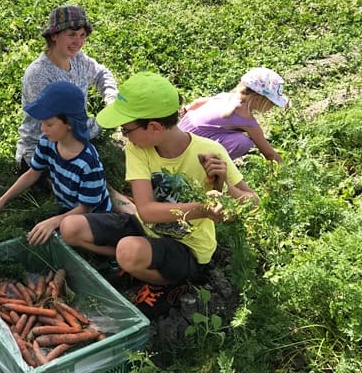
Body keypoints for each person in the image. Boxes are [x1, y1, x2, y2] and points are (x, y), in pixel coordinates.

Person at [60, 72, 259, 294]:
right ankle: (137, 261)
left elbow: (253, 202)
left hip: (187, 246)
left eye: (127, 130)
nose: (125, 136)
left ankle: (163, 283)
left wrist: (227, 187)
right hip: (145, 227)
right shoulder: (138, 148)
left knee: (127, 250)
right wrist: (203, 209)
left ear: (154, 127)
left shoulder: (211, 152)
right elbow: (146, 211)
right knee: (70, 227)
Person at [0, 81, 112, 246]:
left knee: (63, 237)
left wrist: (53, 221)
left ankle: (111, 255)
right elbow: (32, 173)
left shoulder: (88, 162)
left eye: (49, 124)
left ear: (69, 124)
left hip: (92, 218)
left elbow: (85, 209)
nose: (43, 129)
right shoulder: (47, 142)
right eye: (42, 123)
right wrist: (3, 199)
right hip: (66, 208)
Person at [15, 5, 118, 171]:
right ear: (54, 36)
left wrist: (111, 98)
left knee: (91, 177)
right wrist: (100, 123)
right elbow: (57, 129)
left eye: (82, 35)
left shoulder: (78, 59)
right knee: (86, 180)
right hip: (43, 149)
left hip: (76, 139)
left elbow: (101, 74)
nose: (78, 42)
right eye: (71, 35)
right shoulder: (38, 75)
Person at [178, 67, 289, 163]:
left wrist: (187, 110)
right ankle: (203, 165)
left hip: (182, 131)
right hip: (191, 146)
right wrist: (283, 165)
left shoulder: (226, 96)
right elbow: (268, 153)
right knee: (243, 142)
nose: (273, 106)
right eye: (272, 102)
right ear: (257, 99)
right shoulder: (246, 119)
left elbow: (199, 102)